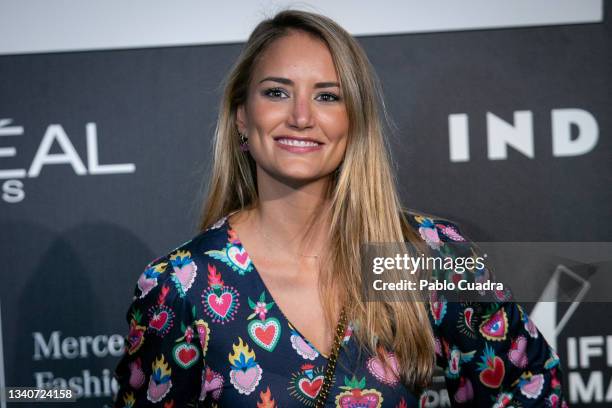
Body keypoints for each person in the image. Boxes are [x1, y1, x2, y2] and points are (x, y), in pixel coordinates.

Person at [112, 9, 567, 407]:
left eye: (327, 96)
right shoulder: (180, 287)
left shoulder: (422, 254)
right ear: (241, 117)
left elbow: (526, 386)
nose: (302, 116)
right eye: (276, 92)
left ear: (355, 121)